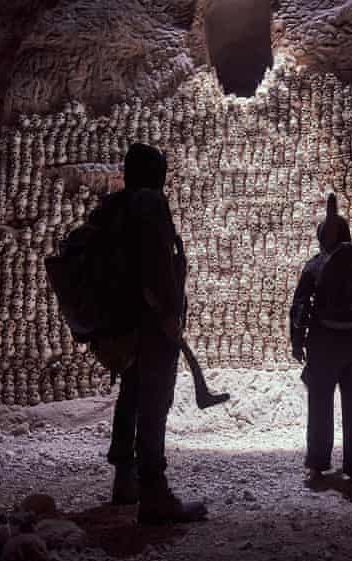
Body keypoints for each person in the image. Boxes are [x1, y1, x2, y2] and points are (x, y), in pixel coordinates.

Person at [102, 142, 207, 524]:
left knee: (130, 392)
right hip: (151, 323)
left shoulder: (120, 206)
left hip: (125, 323)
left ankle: (123, 479)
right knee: (153, 400)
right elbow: (156, 262)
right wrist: (165, 313)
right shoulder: (149, 205)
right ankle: (154, 491)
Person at [289, 193, 352, 483]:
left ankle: (317, 463)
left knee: (320, 403)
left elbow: (300, 306)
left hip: (323, 344)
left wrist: (297, 341)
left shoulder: (315, 265)